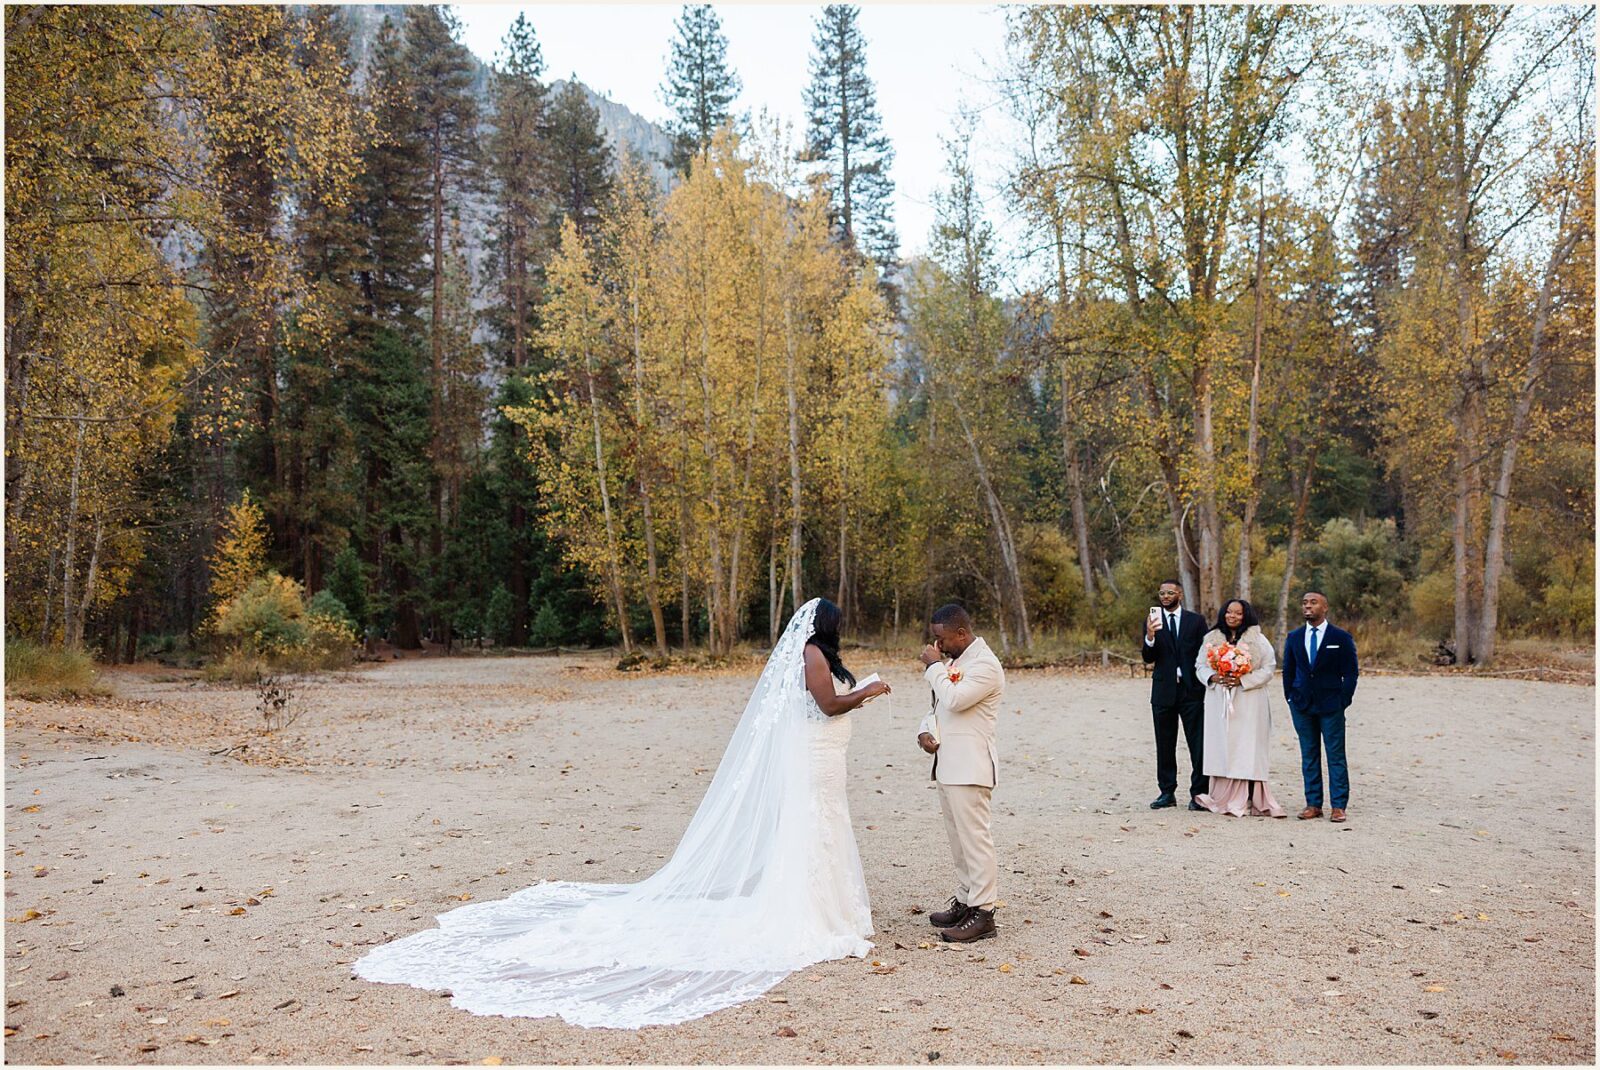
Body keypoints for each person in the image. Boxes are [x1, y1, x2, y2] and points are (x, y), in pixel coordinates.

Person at [354, 597, 891, 1028]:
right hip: (816, 762)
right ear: (826, 626)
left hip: (826, 760)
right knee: (814, 829)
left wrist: (859, 687)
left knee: (822, 829)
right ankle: (814, 915)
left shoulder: (818, 656)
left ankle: (829, 911)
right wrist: (866, 691)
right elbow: (826, 705)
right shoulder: (813, 656)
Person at [916, 603, 1006, 943]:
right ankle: (967, 901)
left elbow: (955, 700)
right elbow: (938, 708)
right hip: (947, 765)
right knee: (959, 843)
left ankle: (984, 914)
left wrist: (934, 667)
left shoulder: (986, 665)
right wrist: (924, 731)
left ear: (961, 634)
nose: (936, 645)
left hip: (971, 766)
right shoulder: (954, 663)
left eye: (940, 638)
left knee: (976, 841)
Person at [1193, 599, 1286, 818]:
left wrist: (1242, 680)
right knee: (1222, 744)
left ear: (1246, 616)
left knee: (1246, 745)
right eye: (1228, 612)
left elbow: (1269, 667)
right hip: (1219, 699)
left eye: (1237, 613)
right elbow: (1199, 665)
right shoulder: (1211, 639)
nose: (1232, 616)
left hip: (1249, 700)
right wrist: (1213, 676)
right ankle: (1221, 795)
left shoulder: (1257, 639)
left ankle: (1248, 796)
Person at [1281, 591, 1359, 823]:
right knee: (1309, 755)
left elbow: (1351, 673)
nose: (1307, 606)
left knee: (1335, 755)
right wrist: (1290, 698)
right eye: (1305, 603)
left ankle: (1338, 805)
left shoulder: (1341, 637)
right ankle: (1313, 804)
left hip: (1331, 706)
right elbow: (1288, 670)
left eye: (1313, 603)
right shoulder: (1294, 637)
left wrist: (1343, 700)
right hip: (1302, 705)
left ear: (1325, 608)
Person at [1140, 579, 1207, 810]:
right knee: (1165, 744)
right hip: (1163, 691)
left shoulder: (1196, 621)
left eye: (1170, 592)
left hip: (1191, 691)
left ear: (1180, 594)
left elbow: (1204, 653)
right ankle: (1167, 792)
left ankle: (1199, 793)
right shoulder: (1152, 621)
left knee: (1198, 744)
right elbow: (1148, 658)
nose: (1165, 596)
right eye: (1161, 593)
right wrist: (1150, 636)